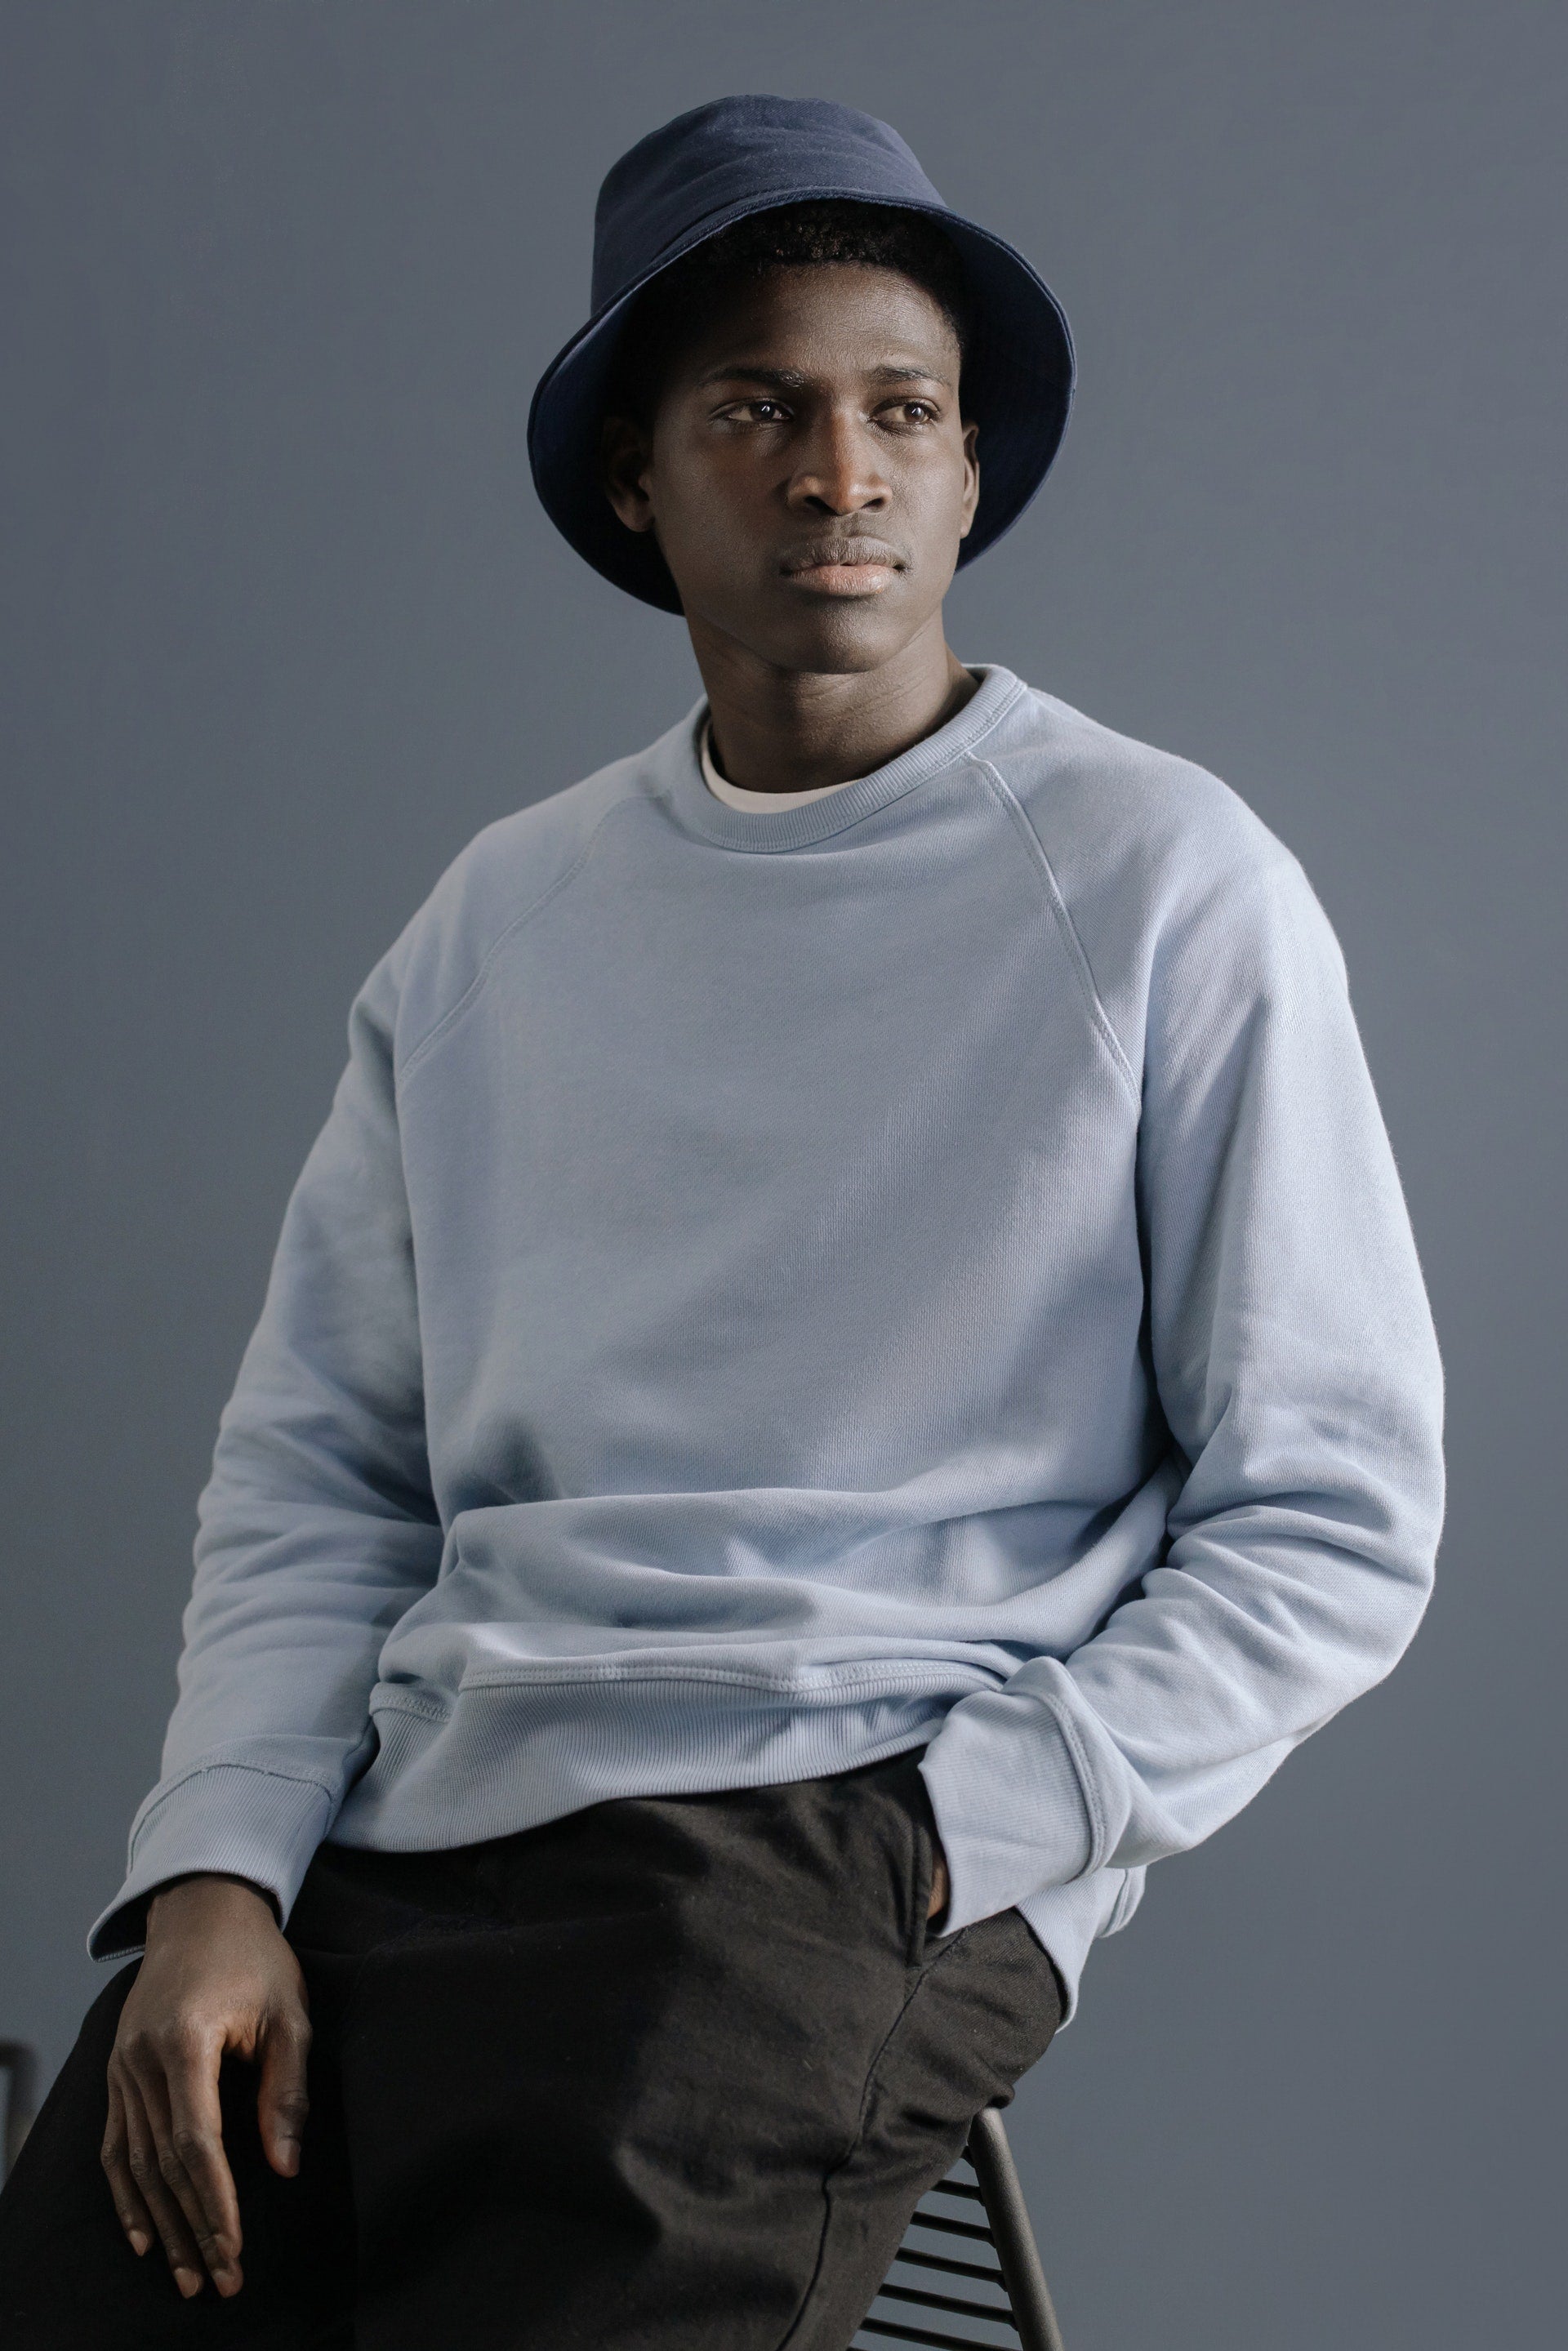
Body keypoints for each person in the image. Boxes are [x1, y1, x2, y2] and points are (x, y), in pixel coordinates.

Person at [0, 95, 1445, 2349]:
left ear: (969, 468)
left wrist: (966, 1826)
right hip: (409, 1832)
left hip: (838, 1841)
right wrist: (212, 1871)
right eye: (760, 407)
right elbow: (324, 1473)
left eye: (903, 411)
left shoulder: (1168, 886)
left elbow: (1336, 1506)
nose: (840, 473)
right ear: (634, 476)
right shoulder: (495, 926)